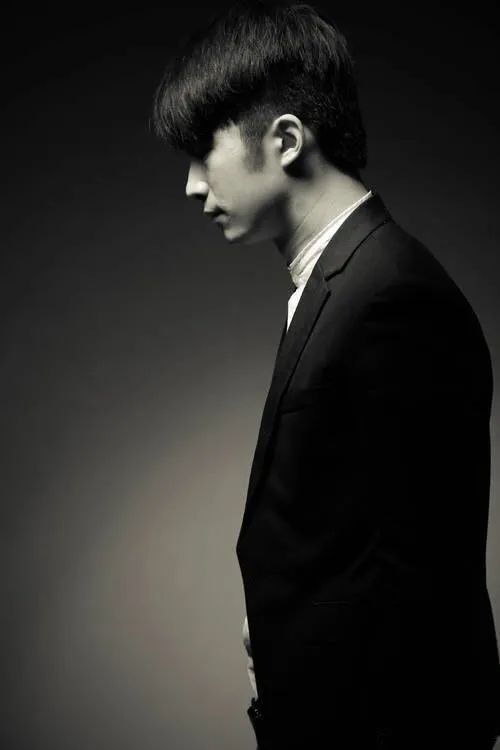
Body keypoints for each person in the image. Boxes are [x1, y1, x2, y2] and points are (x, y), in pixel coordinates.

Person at [152, 1, 500, 747]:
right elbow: (348, 533)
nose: (191, 185)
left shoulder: (392, 297)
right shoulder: (345, 283)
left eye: (203, 151)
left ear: (285, 140)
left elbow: (426, 586)